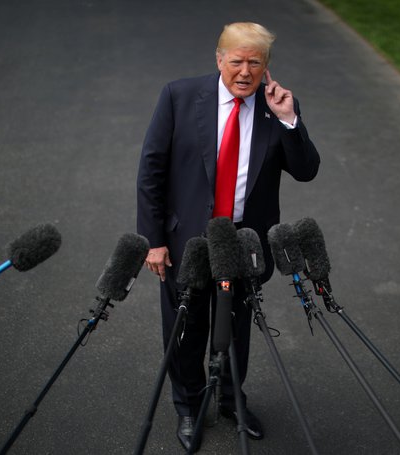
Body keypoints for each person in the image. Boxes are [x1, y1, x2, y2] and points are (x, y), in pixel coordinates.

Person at [136, 22, 320, 452]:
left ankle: (232, 400)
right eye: (236, 60)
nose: (244, 70)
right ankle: (189, 405)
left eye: (255, 62)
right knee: (186, 325)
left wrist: (290, 120)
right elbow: (151, 170)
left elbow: (307, 170)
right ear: (219, 59)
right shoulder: (179, 97)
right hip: (187, 240)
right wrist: (154, 239)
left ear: (266, 67)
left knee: (237, 325)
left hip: (245, 241)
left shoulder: (278, 108)